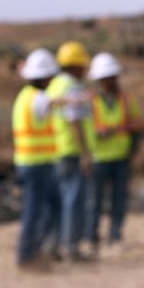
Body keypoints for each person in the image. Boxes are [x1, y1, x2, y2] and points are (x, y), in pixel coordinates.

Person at [86, 52, 143, 252]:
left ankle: (114, 235)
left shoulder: (127, 99)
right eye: (104, 78)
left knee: (119, 200)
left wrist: (133, 153)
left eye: (111, 77)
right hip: (98, 158)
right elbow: (84, 128)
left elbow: (137, 127)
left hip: (121, 158)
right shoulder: (90, 101)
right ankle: (92, 237)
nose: (108, 81)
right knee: (94, 201)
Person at [11, 48, 61, 270]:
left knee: (44, 209)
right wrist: (76, 99)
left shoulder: (24, 96)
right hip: (36, 164)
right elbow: (51, 105)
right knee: (35, 211)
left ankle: (35, 252)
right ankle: (27, 255)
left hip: (28, 162)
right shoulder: (39, 98)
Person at [47, 41, 95, 261]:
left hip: (55, 150)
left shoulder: (54, 86)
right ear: (75, 66)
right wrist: (85, 153)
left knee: (58, 200)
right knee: (74, 200)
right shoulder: (72, 88)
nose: (85, 70)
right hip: (72, 150)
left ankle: (53, 246)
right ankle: (71, 248)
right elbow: (75, 121)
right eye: (83, 65)